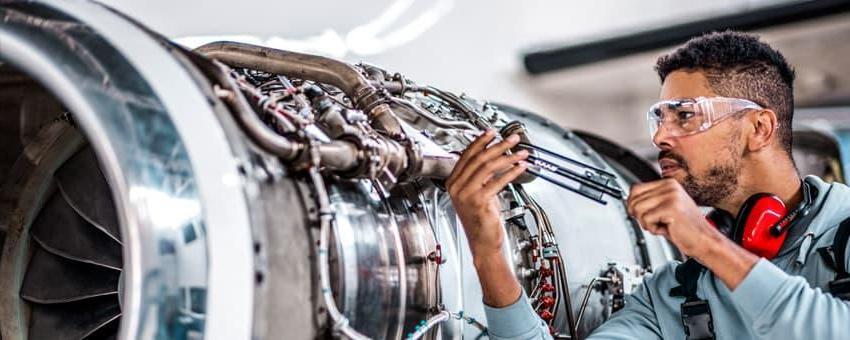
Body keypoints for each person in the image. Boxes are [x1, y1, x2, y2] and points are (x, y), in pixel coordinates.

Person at [445, 31, 850, 339]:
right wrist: (487, 252)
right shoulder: (675, 290)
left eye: (685, 116)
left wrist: (705, 244)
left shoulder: (843, 227)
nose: (660, 138)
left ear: (758, 128)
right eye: (659, 119)